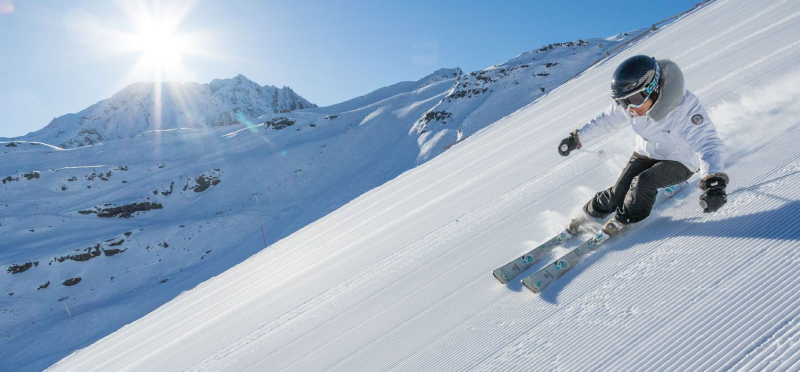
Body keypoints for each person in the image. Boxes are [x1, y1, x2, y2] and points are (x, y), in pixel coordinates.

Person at [558, 55, 728, 236]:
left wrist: (714, 183)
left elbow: (708, 143)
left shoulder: (685, 109)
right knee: (617, 194)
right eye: (623, 102)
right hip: (645, 152)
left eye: (635, 99)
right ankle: (588, 213)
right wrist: (577, 138)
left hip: (680, 160)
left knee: (643, 183)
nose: (630, 108)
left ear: (653, 89)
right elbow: (606, 121)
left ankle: (626, 219)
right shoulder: (631, 105)